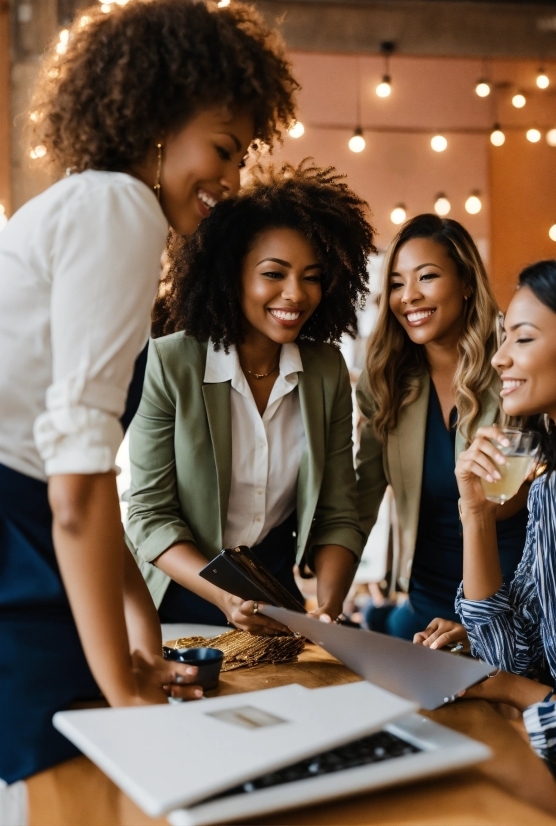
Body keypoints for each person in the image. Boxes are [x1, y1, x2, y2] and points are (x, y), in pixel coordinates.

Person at [0, 0, 297, 783]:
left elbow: (85, 493)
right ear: (158, 117)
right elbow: (73, 494)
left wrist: (140, 639)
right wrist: (127, 692)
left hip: (32, 539)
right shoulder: (118, 208)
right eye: (224, 149)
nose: (231, 180)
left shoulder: (82, 203)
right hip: (24, 549)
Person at [125, 161, 375, 633]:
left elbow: (339, 512)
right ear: (231, 274)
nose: (296, 294)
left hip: (274, 598)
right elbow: (149, 515)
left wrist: (327, 606)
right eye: (274, 274)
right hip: (179, 595)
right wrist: (225, 597)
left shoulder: (326, 371)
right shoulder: (169, 363)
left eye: (312, 276)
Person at [453, 255, 556, 824]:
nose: (499, 357)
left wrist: (516, 697)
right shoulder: (554, 492)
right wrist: (477, 515)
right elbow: (508, 653)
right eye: (503, 336)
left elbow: (508, 677)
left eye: (523, 338)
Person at [356, 214, 527, 640]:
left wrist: (481, 624)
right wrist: (327, 603)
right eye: (396, 283)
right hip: (424, 608)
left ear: (467, 282)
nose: (408, 296)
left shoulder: (517, 368)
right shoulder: (387, 380)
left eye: (426, 277)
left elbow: (538, 502)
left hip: (511, 608)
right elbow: (359, 503)